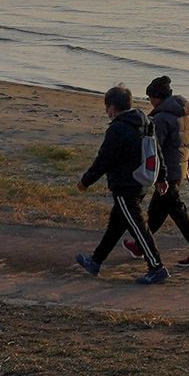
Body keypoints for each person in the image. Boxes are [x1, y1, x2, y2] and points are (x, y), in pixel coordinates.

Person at [73, 84, 166, 283]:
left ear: (112, 107)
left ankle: (156, 267)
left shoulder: (117, 128)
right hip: (142, 181)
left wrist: (85, 181)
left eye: (106, 107)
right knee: (116, 225)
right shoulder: (144, 121)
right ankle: (95, 261)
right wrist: (161, 177)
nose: (106, 111)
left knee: (138, 227)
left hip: (125, 185)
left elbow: (103, 160)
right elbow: (156, 151)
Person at [142, 73, 189, 266]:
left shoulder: (161, 118)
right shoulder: (187, 112)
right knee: (158, 208)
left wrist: (152, 172)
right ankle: (141, 244)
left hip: (166, 171)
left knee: (176, 209)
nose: (150, 102)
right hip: (179, 168)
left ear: (158, 97)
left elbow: (154, 148)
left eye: (151, 98)